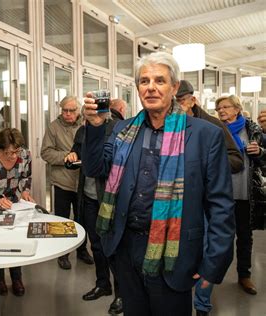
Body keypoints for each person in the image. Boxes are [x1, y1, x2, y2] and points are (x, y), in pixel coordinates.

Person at [82, 52, 235, 316]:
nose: (151, 87)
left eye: (159, 80)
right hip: (126, 249)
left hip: (176, 252)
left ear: (174, 87)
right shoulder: (123, 130)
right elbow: (95, 168)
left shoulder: (205, 135)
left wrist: (214, 264)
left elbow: (220, 205)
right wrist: (95, 127)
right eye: (144, 81)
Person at [175, 80, 243, 316]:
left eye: (180, 101)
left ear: (192, 100)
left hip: (204, 203)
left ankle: (202, 305)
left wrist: (208, 164)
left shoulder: (212, 126)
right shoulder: (168, 125)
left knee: (206, 252)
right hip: (176, 202)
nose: (175, 106)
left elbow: (237, 159)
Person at [64, 100, 125, 314]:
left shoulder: (117, 129)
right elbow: (76, 152)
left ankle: (121, 294)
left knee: (114, 248)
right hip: (88, 196)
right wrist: (72, 155)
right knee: (96, 244)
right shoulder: (82, 130)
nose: (90, 116)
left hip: (108, 198)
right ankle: (103, 284)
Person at [215, 95, 266, 295]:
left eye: (225, 107)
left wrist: (260, 151)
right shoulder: (215, 130)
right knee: (218, 237)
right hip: (221, 194)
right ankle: (211, 275)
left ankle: (244, 275)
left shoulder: (252, 131)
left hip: (245, 194)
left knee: (245, 237)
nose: (221, 111)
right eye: (219, 108)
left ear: (237, 109)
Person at [41, 95, 94, 270]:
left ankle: (82, 251)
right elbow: (46, 152)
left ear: (78, 111)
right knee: (62, 220)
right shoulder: (53, 128)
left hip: (82, 182)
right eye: (65, 110)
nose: (68, 114)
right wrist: (67, 157)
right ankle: (62, 254)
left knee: (81, 219)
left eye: (72, 110)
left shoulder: (86, 126)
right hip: (62, 181)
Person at [0, 128, 35, 296]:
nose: (13, 156)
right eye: (9, 152)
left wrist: (25, 191)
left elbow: (26, 176)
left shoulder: (25, 154)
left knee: (15, 241)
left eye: (16, 151)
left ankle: (17, 278)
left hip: (14, 204)